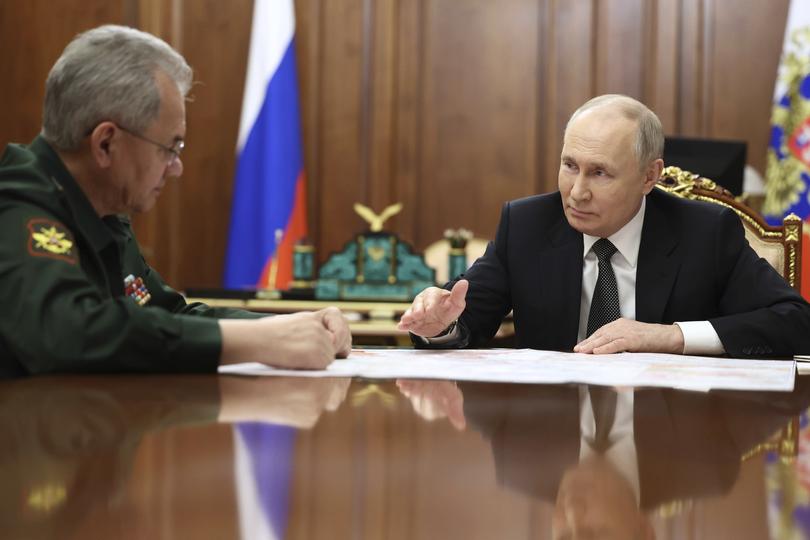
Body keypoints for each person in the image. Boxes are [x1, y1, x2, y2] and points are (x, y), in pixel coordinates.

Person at [0, 25, 351, 376]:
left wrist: (290, 326)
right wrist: (256, 341)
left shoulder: (101, 210)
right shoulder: (18, 203)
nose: (177, 168)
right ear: (106, 143)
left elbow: (166, 315)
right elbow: (69, 334)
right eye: (170, 148)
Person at [399, 94, 810, 357]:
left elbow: (796, 322)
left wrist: (670, 337)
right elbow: (466, 323)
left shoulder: (705, 233)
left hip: (671, 451)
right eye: (569, 166)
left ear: (650, 177)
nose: (576, 192)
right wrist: (440, 326)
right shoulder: (526, 225)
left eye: (600, 173)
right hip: (553, 448)